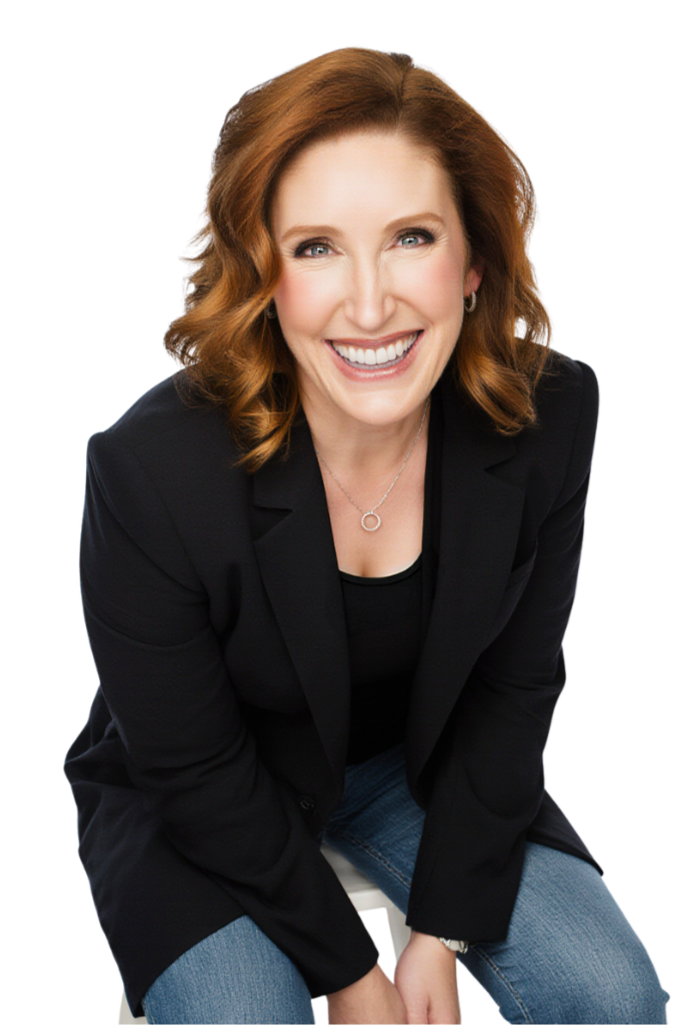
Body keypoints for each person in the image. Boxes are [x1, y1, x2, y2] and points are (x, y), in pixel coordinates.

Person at [65, 47, 670, 1025]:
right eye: (316, 247)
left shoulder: (551, 413)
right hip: (211, 780)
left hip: (413, 764)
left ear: (474, 259)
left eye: (410, 237)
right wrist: (352, 975)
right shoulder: (149, 469)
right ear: (263, 274)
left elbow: (517, 687)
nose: (371, 303)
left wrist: (442, 929)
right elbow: (191, 767)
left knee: (610, 994)